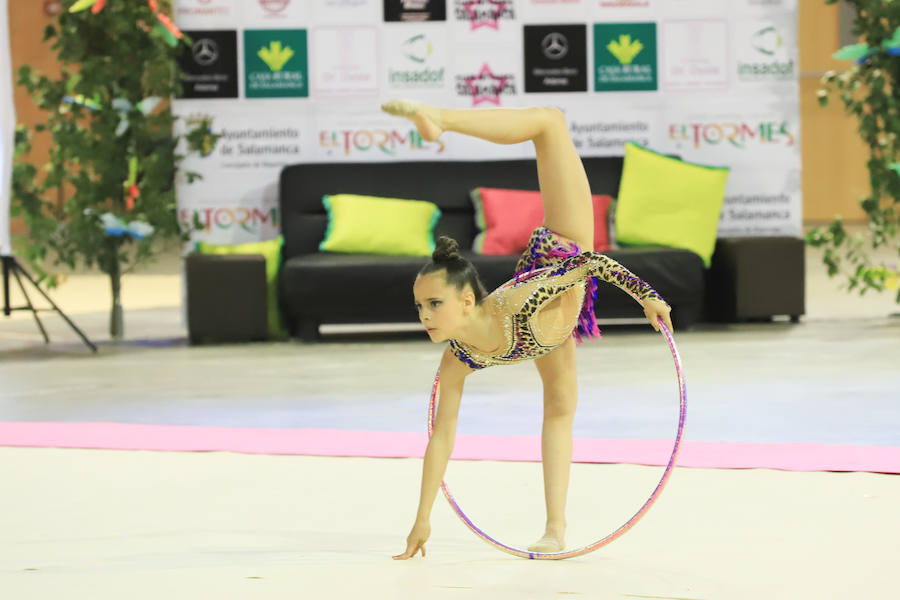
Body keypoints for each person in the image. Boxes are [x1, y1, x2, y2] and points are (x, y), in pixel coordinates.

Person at [383, 100, 673, 560]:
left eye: (433, 305)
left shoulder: (523, 302)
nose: (424, 316)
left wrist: (646, 295)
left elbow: (590, 262)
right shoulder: (458, 356)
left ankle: (443, 118)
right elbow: (441, 434)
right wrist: (422, 518)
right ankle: (555, 529)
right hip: (548, 327)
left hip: (564, 250)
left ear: (464, 301)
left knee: (550, 122)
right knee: (559, 408)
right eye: (419, 306)